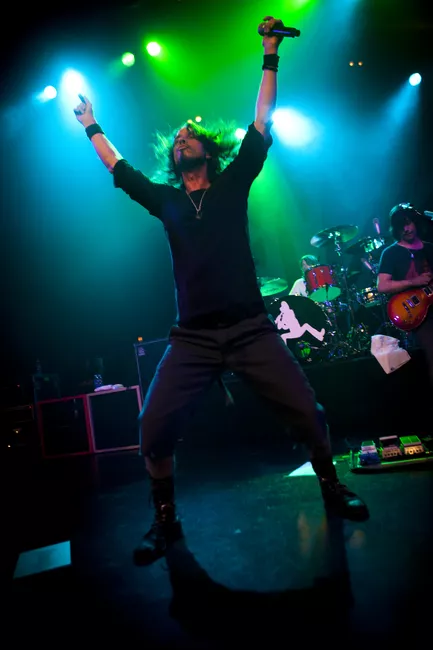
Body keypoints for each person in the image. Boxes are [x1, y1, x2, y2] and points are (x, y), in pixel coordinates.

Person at [73, 16, 369, 567]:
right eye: (176, 141)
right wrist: (92, 124)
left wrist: (270, 52)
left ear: (207, 152)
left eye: (189, 137)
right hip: (193, 339)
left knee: (309, 414)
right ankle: (166, 520)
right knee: (152, 430)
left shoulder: (233, 183)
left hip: (251, 329)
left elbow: (262, 119)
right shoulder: (166, 201)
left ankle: (332, 486)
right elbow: (119, 166)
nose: (181, 141)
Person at [377, 203, 433, 384]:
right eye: (401, 226)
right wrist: (413, 282)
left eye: (409, 223)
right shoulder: (390, 253)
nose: (407, 229)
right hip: (417, 315)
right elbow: (382, 286)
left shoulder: (429, 249)